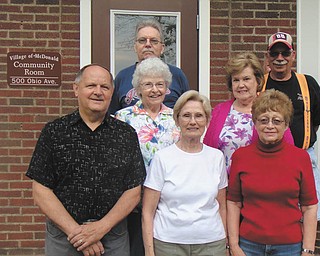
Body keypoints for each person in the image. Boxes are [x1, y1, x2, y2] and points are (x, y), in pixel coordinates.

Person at [26, 64, 146, 256]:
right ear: (76, 89)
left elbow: (133, 190)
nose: (98, 92)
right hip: (64, 237)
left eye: (105, 87)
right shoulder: (54, 132)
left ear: (111, 92)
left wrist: (100, 229)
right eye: (91, 86)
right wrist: (77, 233)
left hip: (113, 237)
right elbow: (40, 190)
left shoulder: (126, 135)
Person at [227, 89, 318, 256]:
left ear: (286, 124)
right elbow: (233, 203)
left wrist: (308, 250)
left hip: (289, 247)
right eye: (263, 120)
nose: (270, 126)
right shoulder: (241, 157)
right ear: (255, 123)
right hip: (248, 246)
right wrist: (233, 245)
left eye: (276, 121)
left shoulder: (300, 158)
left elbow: (309, 206)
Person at [142, 90, 228, 256]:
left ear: (207, 120)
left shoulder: (216, 157)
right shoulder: (162, 158)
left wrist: (225, 244)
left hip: (211, 244)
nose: (193, 122)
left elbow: (222, 206)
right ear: (177, 120)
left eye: (199, 116)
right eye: (186, 115)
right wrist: (149, 252)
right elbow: (148, 211)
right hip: (168, 244)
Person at [115, 57, 180, 255]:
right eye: (148, 84)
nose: (155, 90)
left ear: (167, 88)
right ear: (137, 89)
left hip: (170, 205)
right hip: (135, 204)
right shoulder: (122, 118)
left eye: (160, 84)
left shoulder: (177, 117)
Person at [203, 52, 293, 174]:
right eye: (236, 80)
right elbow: (207, 150)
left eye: (246, 79)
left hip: (259, 182)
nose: (241, 85)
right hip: (223, 186)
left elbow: (288, 148)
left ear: (258, 81)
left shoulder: (272, 108)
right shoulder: (220, 110)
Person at [263, 31, 320, 220]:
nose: (280, 58)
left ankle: (308, 249)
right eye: (275, 53)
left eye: (285, 53)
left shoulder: (307, 83)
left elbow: (316, 120)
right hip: (267, 158)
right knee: (274, 211)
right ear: (267, 57)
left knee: (310, 211)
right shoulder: (258, 84)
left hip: (303, 156)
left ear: (293, 55)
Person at [109, 18, 189, 114]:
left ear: (162, 48)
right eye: (142, 40)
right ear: (135, 47)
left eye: (154, 41)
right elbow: (112, 115)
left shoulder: (177, 75)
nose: (148, 44)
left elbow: (187, 111)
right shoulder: (122, 77)